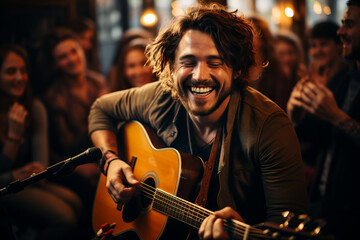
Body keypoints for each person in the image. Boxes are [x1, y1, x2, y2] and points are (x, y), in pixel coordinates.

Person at [89, 3, 308, 240]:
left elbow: (286, 228)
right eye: (188, 62)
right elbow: (101, 109)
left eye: (215, 62)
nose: (199, 76)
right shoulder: (161, 97)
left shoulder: (270, 126)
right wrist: (110, 161)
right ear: (172, 66)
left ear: (236, 69)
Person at [286, 0, 360, 239]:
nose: (341, 32)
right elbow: (319, 133)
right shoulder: (346, 80)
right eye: (342, 24)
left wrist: (336, 116)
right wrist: (294, 114)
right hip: (326, 200)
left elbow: (335, 121)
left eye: (349, 25)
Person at [0, 44, 81, 240]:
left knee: (75, 201)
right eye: (11, 72)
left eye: (23, 70)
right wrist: (14, 138)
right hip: (5, 185)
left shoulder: (34, 107)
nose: (20, 77)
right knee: (65, 217)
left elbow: (42, 168)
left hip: (28, 180)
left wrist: (37, 171)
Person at [40, 27, 109, 239]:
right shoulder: (54, 98)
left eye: (73, 51)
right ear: (55, 64)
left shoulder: (98, 81)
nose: (71, 59)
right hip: (73, 167)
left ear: (81, 49)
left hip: (103, 154)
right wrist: (95, 111)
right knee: (93, 191)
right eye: (62, 56)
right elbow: (65, 147)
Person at [248, 17, 294, 111]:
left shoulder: (275, 68)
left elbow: (281, 105)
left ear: (261, 37)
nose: (246, 36)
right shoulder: (241, 66)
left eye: (251, 32)